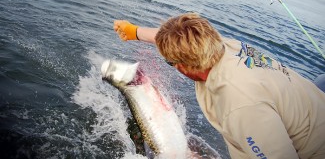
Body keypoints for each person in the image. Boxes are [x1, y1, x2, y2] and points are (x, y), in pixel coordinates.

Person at [113, 13, 325, 159]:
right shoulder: (220, 45)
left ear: (187, 66)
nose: (171, 65)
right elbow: (176, 36)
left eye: (171, 62)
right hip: (310, 106)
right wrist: (135, 31)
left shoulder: (238, 105)